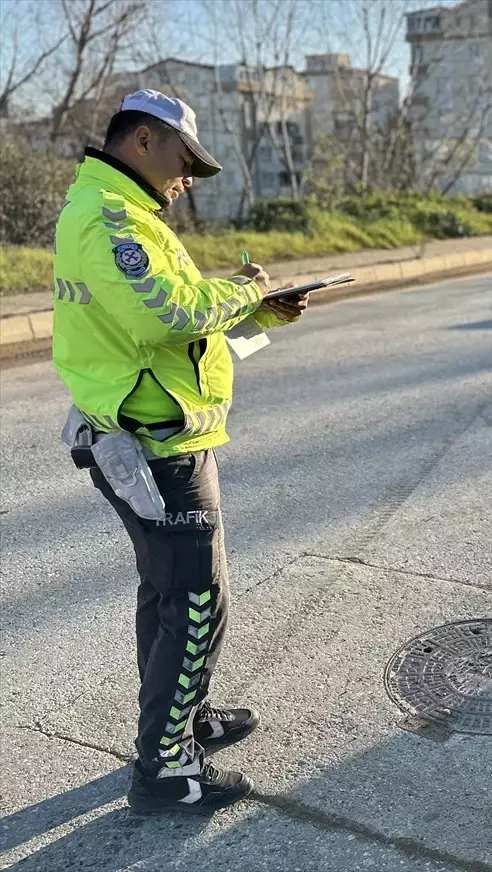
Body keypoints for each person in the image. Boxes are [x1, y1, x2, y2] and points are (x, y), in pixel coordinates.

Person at [51, 89, 310, 813]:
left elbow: (180, 332)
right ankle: (164, 768)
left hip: (166, 438)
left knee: (173, 596)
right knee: (194, 602)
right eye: (184, 157)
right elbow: (169, 312)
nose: (188, 175)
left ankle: (181, 723)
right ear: (142, 140)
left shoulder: (131, 217)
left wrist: (261, 314)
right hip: (152, 450)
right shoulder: (109, 220)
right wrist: (244, 288)